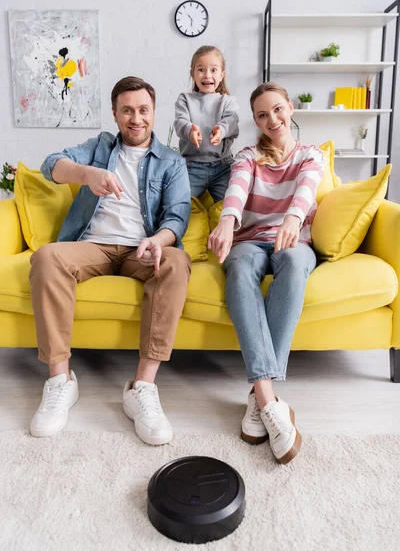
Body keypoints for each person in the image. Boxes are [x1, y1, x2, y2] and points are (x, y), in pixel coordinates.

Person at [29, 76, 192, 445]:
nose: (136, 118)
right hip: (94, 246)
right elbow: (50, 165)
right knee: (46, 257)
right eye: (128, 110)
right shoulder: (100, 147)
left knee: (177, 262)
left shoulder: (171, 161)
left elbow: (177, 218)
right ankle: (60, 381)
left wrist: (157, 240)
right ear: (116, 114)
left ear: (153, 112)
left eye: (144, 110)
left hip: (143, 248)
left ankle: (142, 388)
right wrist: (87, 174)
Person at [208, 82, 324, 465]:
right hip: (251, 239)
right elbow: (237, 189)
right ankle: (267, 396)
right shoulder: (248, 155)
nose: (271, 119)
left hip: (295, 242)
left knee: (292, 262)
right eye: (262, 114)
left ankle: (261, 398)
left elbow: (306, 190)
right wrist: (227, 221)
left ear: (290, 107)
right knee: (238, 268)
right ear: (255, 120)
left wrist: (292, 218)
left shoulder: (311, 155)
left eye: (277, 109)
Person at [174, 45, 239, 202]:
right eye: (201, 70)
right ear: (193, 73)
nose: (207, 75)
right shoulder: (185, 99)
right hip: (192, 166)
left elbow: (232, 122)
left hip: (222, 167)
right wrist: (190, 130)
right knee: (179, 202)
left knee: (230, 205)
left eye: (213, 70)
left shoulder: (228, 101)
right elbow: (180, 122)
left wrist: (221, 130)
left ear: (222, 75)